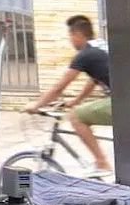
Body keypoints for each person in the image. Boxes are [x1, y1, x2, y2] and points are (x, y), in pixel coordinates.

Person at [25, 14, 111, 175]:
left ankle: (102, 163)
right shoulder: (99, 45)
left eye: (70, 36)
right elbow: (94, 80)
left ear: (78, 35)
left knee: (76, 117)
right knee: (79, 110)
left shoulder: (85, 55)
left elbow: (59, 87)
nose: (70, 41)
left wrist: (36, 105)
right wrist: (75, 100)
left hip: (122, 104)